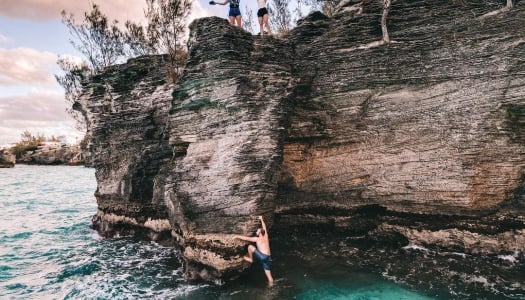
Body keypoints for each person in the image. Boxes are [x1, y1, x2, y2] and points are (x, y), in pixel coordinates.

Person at [235, 215, 274, 285]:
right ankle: (271, 285)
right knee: (269, 276)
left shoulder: (257, 239)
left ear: (260, 233)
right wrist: (261, 219)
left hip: (263, 257)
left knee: (250, 246)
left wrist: (237, 236)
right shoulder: (266, 236)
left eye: (257, 231)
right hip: (268, 258)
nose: (256, 231)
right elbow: (264, 227)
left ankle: (251, 259)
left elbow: (246, 238)